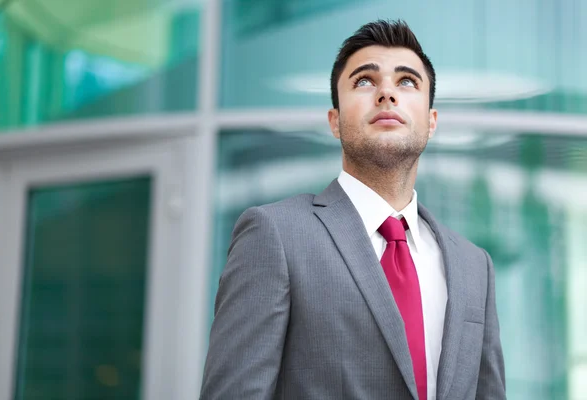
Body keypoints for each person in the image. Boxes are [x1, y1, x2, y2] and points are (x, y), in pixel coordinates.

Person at [200, 19, 506, 400]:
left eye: (407, 81)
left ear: (431, 123)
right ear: (335, 122)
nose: (386, 94)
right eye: (364, 81)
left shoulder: (475, 265)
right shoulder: (274, 235)